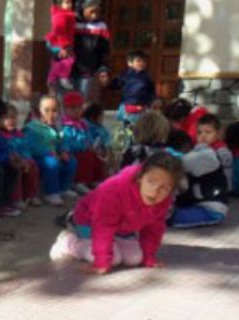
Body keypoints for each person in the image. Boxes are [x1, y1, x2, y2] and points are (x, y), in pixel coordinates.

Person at [49, 153, 183, 274]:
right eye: (151, 181)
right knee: (112, 259)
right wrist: (101, 262)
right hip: (90, 220)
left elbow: (154, 228)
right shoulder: (115, 190)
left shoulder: (164, 201)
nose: (155, 191)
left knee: (135, 259)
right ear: (140, 178)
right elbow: (103, 226)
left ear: (171, 190)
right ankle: (69, 241)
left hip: (122, 228)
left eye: (164, 187)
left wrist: (149, 257)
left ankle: (112, 246)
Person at [167, 131, 230, 229]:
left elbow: (180, 163)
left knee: (169, 218)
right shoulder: (199, 155)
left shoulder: (204, 157)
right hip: (195, 205)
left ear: (185, 146)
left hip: (211, 211)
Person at [24, 94, 76, 206]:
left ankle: (63, 188)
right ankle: (51, 192)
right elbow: (31, 147)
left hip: (54, 155)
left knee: (71, 161)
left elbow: (62, 140)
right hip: (39, 158)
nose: (51, 114)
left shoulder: (56, 126)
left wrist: (63, 151)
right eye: (46, 110)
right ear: (39, 110)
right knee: (52, 163)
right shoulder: (32, 127)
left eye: (54, 110)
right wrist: (50, 153)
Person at [0, 103, 42, 208]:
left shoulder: (20, 135)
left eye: (13, 118)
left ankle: (30, 195)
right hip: (9, 161)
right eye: (6, 118)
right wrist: (19, 162)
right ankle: (16, 198)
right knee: (16, 169)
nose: (11, 121)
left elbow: (25, 149)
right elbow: (4, 151)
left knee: (33, 167)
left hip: (22, 160)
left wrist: (27, 160)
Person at [72, 0, 111, 103]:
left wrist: (103, 69)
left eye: (97, 11)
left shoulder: (101, 26)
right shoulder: (73, 22)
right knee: (65, 102)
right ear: (83, 8)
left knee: (80, 101)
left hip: (87, 71)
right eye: (91, 11)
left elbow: (104, 51)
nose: (94, 15)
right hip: (68, 70)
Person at [60, 91, 99, 195]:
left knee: (94, 156)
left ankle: (92, 180)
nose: (77, 111)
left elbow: (88, 135)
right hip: (73, 152)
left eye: (79, 108)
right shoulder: (66, 125)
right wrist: (83, 146)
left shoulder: (83, 123)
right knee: (84, 157)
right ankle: (79, 182)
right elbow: (66, 142)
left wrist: (91, 143)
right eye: (73, 108)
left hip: (84, 149)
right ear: (65, 110)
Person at [111, 50, 156, 126]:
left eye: (143, 61)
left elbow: (151, 92)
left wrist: (150, 102)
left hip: (141, 107)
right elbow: (115, 84)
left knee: (139, 129)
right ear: (130, 63)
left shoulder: (147, 77)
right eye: (138, 61)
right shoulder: (125, 75)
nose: (141, 63)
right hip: (127, 106)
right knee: (127, 129)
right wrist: (107, 82)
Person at [45, 0, 76, 92]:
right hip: (58, 42)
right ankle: (63, 77)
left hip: (58, 42)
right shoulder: (61, 16)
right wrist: (63, 46)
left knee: (57, 62)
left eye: (70, 2)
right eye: (66, 2)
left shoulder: (65, 15)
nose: (70, 5)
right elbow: (59, 31)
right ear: (59, 4)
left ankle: (52, 78)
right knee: (69, 59)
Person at [196, 114, 233, 191]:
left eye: (208, 132)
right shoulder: (200, 148)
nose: (203, 136)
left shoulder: (222, 151)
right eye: (199, 132)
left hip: (220, 186)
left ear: (218, 134)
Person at [82, 102, 113, 177]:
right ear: (93, 117)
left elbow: (107, 138)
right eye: (101, 116)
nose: (102, 118)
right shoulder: (87, 126)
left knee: (111, 153)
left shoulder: (100, 127)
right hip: (92, 148)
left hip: (102, 149)